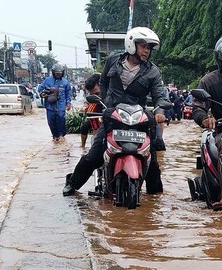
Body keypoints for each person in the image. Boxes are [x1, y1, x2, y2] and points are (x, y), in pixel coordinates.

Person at [63, 27, 169, 196]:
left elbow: (159, 95)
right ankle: (73, 183)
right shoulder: (113, 60)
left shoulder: (153, 71)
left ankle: (154, 200)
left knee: (153, 163)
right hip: (113, 117)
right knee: (94, 155)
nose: (146, 51)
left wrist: (160, 110)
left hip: (138, 120)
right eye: (143, 46)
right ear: (131, 44)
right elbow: (103, 81)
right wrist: (106, 102)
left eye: (149, 48)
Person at [38, 63, 73, 141]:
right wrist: (43, 94)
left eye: (60, 74)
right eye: (57, 74)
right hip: (50, 105)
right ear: (53, 73)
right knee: (51, 121)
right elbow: (40, 90)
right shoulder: (47, 81)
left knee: (61, 119)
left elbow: (68, 94)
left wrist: (68, 103)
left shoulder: (65, 82)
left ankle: (62, 135)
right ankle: (55, 136)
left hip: (61, 105)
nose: (58, 75)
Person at [79, 72, 103, 148]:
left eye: (97, 93)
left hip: (108, 116)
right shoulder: (93, 102)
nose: (96, 96)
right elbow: (88, 101)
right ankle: (83, 146)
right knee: (84, 128)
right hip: (95, 117)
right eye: (93, 94)